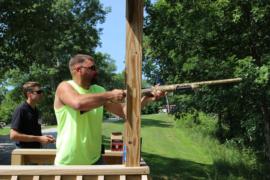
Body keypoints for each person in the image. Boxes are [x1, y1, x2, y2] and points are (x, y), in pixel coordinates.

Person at [54, 54, 164, 165]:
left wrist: (147, 98)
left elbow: (124, 112)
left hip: (95, 161)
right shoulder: (64, 87)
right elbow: (77, 103)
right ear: (78, 69)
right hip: (67, 163)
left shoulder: (99, 90)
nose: (96, 72)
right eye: (92, 68)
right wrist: (110, 95)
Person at [10, 81, 55, 148]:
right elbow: (13, 135)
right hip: (24, 153)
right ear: (29, 94)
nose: (41, 94)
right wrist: (38, 138)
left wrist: (44, 138)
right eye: (39, 92)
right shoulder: (21, 110)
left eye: (42, 91)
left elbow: (34, 132)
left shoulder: (36, 110)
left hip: (35, 150)